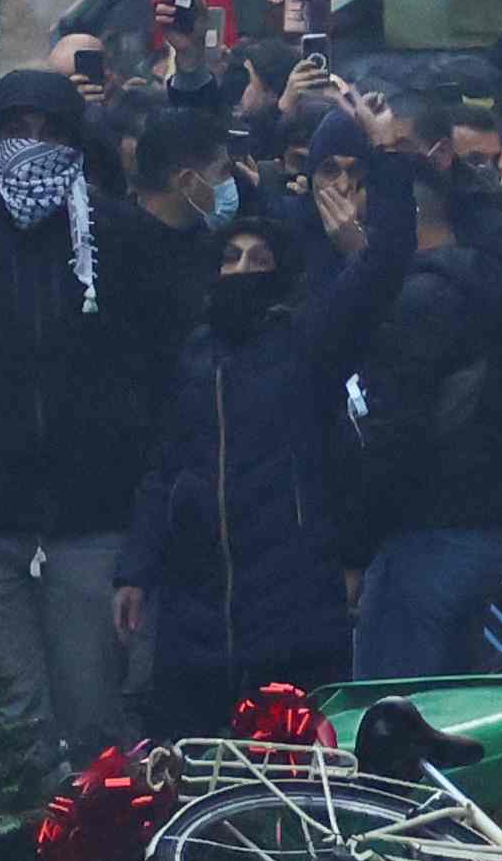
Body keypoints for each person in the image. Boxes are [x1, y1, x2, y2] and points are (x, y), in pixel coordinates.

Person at [0, 75, 194, 763]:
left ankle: (96, 855)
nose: (33, 148)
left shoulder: (121, 237)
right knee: (10, 722)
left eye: (51, 132)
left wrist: (146, 506)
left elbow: (168, 374)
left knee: (93, 712)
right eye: (17, 131)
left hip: (93, 518)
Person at [119, 165, 404, 724]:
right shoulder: (192, 357)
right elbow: (164, 470)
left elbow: (381, 273)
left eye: (259, 260)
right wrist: (135, 569)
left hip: (291, 610)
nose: (241, 270)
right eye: (230, 257)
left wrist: (389, 161)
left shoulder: (307, 346)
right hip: (194, 618)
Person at [337, 154, 502, 683]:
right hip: (482, 522)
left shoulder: (419, 302)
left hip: (423, 533)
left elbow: (394, 436)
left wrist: (354, 551)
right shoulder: (485, 284)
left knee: (401, 717)